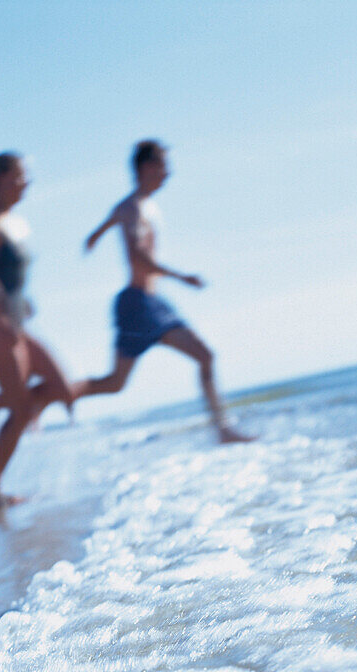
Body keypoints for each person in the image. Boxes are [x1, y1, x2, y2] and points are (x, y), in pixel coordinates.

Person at [83, 139, 253, 444]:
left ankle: (41, 396)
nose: (168, 173)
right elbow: (137, 256)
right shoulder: (134, 208)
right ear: (147, 167)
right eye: (164, 165)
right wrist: (181, 276)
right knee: (199, 356)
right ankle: (223, 428)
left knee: (117, 382)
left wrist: (95, 236)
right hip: (139, 304)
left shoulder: (133, 206)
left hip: (147, 302)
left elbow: (110, 221)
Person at [0, 152, 99, 509]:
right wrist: (3, 316)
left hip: (15, 321)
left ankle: (2, 401)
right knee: (20, 411)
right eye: (18, 176)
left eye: (26, 177)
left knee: (62, 389)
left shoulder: (14, 222)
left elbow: (7, 278)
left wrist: (21, 304)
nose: (25, 182)